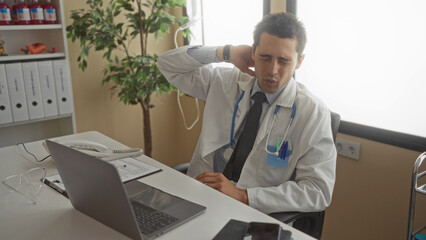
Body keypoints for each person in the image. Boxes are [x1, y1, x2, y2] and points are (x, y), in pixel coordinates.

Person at [158, 12, 336, 214]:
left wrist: (243, 195)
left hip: (253, 214)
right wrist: (225, 52)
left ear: (299, 61)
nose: (272, 70)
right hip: (198, 197)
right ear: (252, 53)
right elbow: (167, 65)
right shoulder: (225, 82)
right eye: (265, 57)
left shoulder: (313, 114)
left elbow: (318, 191)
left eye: (284, 61)